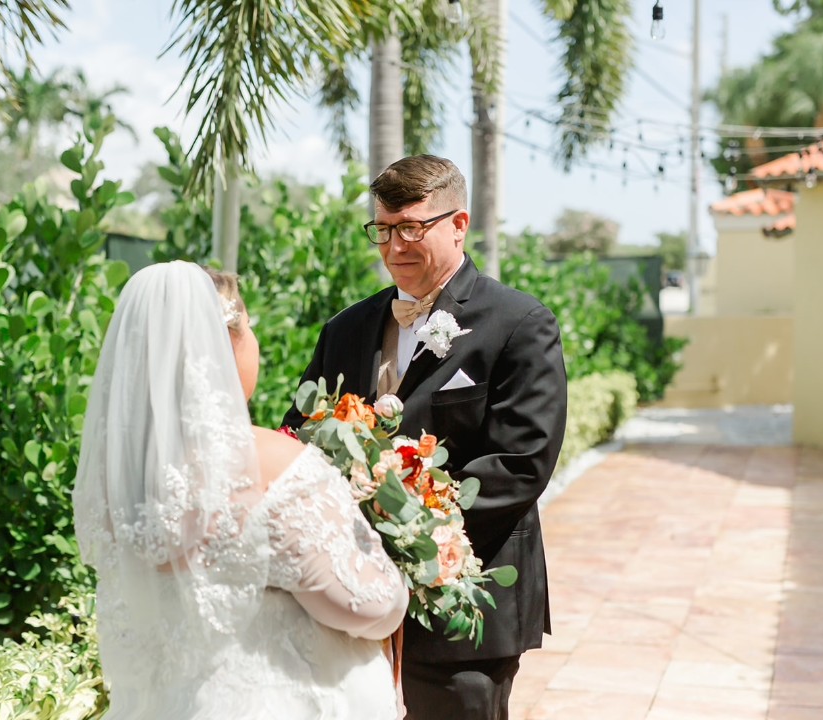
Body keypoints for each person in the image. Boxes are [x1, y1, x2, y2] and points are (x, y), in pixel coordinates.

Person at [282, 155, 568, 720]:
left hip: (464, 603)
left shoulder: (518, 324)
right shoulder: (345, 330)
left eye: (412, 228)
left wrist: (400, 529)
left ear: (458, 224)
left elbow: (520, 462)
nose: (395, 246)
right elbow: (301, 436)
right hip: (351, 599)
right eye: (383, 230)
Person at [74, 261, 409, 719]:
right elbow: (361, 604)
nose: (255, 345)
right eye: (248, 330)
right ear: (221, 346)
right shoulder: (269, 461)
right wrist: (398, 579)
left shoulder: (121, 479)